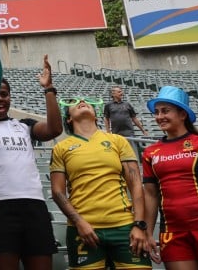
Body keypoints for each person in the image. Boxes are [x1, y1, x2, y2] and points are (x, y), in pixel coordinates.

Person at [0, 57, 63, 270]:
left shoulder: (24, 126)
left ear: (10, 97)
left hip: (34, 206)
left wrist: (48, 89)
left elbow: (54, 129)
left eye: (4, 94)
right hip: (0, 207)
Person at [50, 97, 150, 270]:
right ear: (68, 118)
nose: (81, 100)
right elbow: (57, 192)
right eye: (74, 102)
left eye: (86, 101)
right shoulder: (61, 148)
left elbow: (135, 185)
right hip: (82, 229)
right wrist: (79, 222)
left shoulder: (118, 141)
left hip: (124, 226)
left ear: (96, 116)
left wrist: (139, 224)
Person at [142, 86, 198, 270]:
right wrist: (148, 231)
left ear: (182, 114)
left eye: (165, 111)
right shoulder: (150, 152)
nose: (159, 116)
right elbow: (150, 195)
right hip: (173, 233)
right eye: (156, 112)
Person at [105, 86, 149, 159]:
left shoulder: (127, 104)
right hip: (116, 133)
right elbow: (106, 119)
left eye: (121, 91)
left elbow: (134, 118)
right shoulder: (108, 105)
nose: (121, 93)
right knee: (119, 153)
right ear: (113, 94)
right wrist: (108, 131)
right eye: (119, 92)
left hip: (129, 132)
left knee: (132, 153)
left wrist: (143, 130)